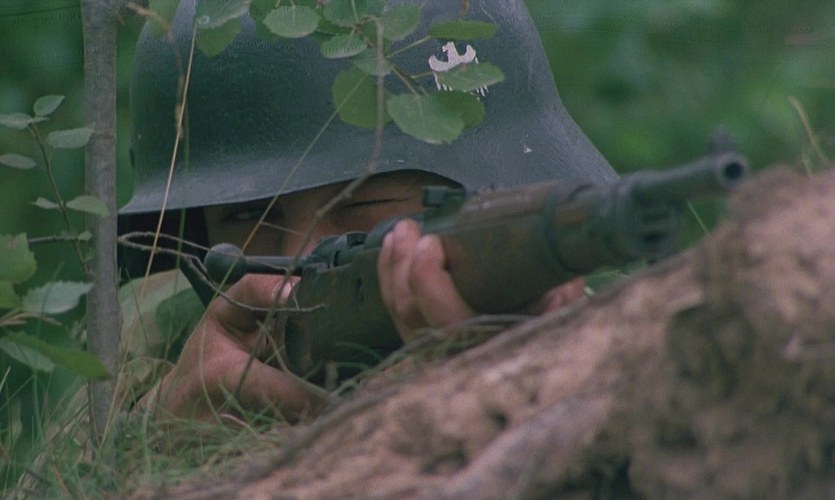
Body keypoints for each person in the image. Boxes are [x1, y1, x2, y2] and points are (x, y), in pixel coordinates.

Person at [118, 0, 618, 424]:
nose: (299, 256)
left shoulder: (597, 344)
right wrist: (157, 427)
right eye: (249, 216)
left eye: (364, 204)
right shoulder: (166, 331)